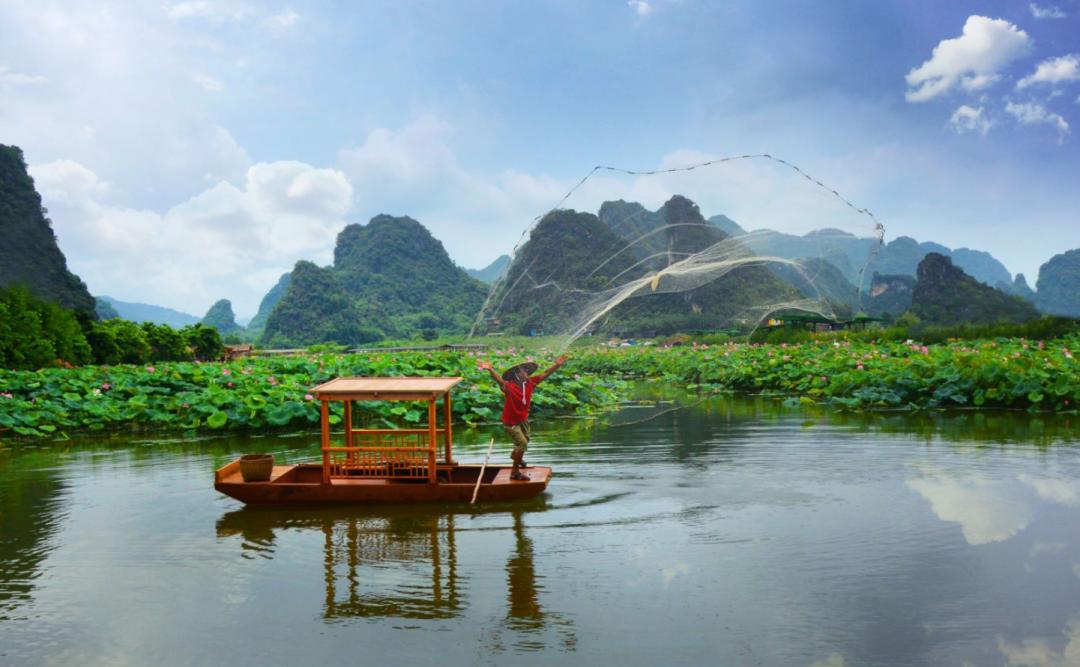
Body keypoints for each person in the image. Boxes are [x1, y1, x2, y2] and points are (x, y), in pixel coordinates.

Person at [477, 355, 567, 481]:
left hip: (523, 419)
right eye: (522, 371)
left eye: (527, 371)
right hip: (511, 421)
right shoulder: (509, 386)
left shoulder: (530, 383)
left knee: (525, 440)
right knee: (522, 443)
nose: (526, 373)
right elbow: (499, 380)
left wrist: (557, 365)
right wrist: (490, 369)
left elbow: (545, 374)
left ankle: (516, 456)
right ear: (516, 374)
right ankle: (515, 472)